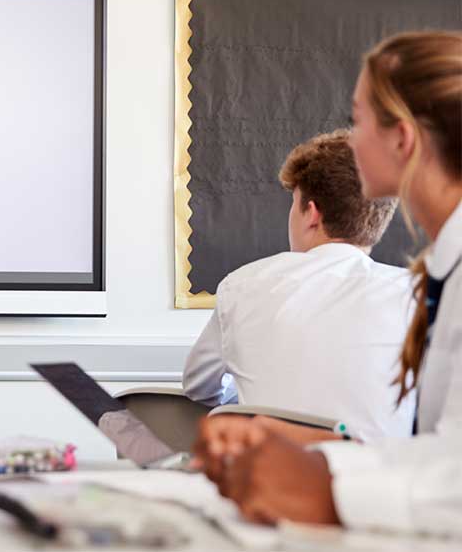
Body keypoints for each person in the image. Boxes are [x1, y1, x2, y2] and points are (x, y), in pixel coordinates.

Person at [193, 31, 462, 537]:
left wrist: (323, 481)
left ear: (401, 139)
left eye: (357, 119)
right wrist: (334, 458)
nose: (349, 137)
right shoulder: (438, 272)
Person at [183, 130, 413, 441]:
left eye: (294, 204)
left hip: (270, 481)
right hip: (381, 484)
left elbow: (197, 387)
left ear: (312, 213)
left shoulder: (242, 286)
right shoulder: (416, 295)